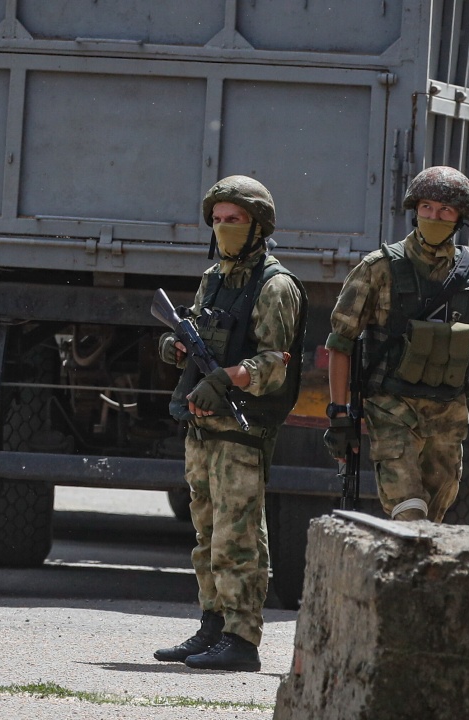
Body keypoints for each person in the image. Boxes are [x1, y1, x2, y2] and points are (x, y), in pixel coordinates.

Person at [322, 166, 469, 523]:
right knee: (409, 511)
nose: (434, 216)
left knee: (433, 518)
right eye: (427, 207)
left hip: (447, 414)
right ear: (416, 210)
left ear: (459, 217)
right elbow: (340, 344)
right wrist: (338, 414)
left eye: (445, 210)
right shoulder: (378, 268)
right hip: (392, 407)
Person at [153, 176, 307, 672]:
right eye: (218, 220)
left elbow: (273, 363)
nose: (224, 228)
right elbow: (197, 334)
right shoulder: (213, 277)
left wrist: (224, 381)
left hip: (242, 427)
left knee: (238, 536)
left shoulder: (275, 286)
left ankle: (242, 640)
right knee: (207, 534)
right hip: (203, 427)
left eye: (234, 220)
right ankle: (213, 626)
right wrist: (175, 349)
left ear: (258, 225)